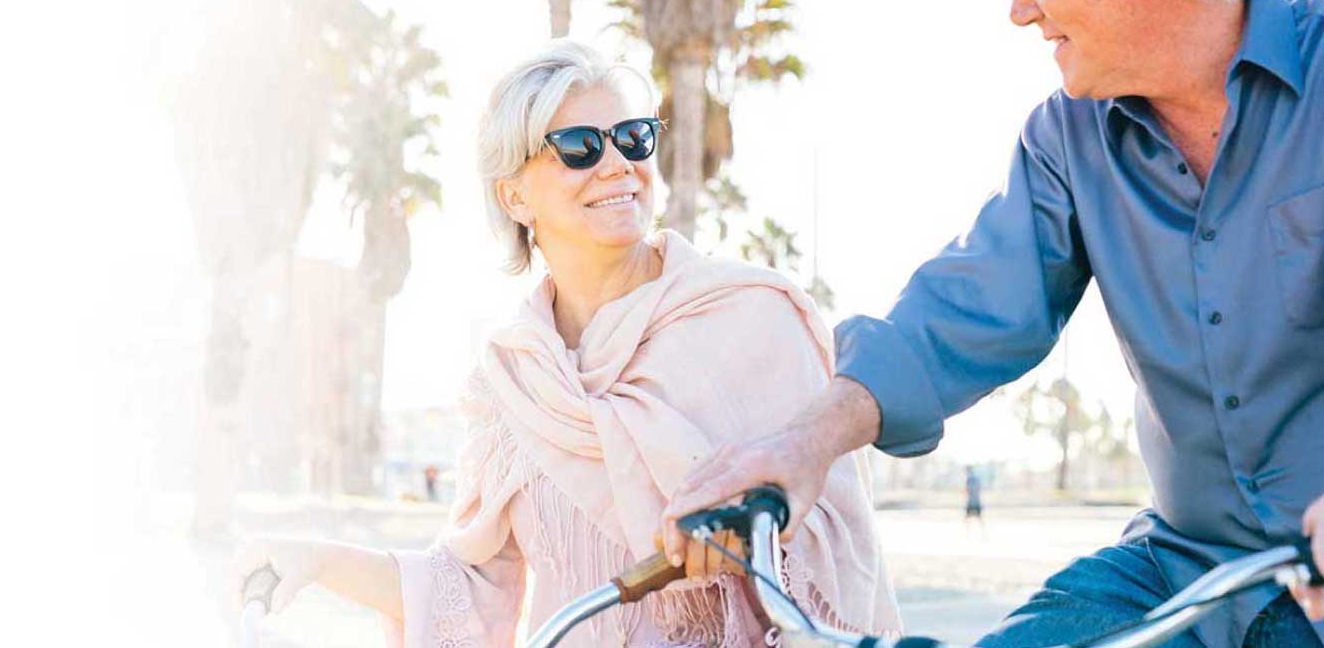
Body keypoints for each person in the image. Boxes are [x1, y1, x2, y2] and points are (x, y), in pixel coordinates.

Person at [660, 0, 1324, 648]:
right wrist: (802, 443)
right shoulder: (1068, 137)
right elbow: (960, 314)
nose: (1019, 8)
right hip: (1182, 564)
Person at [230, 43, 902, 647]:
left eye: (634, 139)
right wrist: (316, 559)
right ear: (515, 195)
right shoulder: (511, 379)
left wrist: (750, 539)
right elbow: (471, 587)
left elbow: (839, 561)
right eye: (579, 146)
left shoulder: (756, 317)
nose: (617, 165)